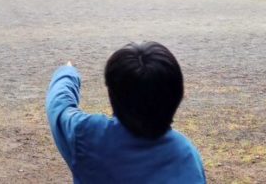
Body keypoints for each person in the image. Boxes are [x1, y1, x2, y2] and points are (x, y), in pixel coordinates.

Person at [46, 41, 205, 183]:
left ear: (112, 95)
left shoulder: (88, 136)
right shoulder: (186, 156)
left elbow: (59, 107)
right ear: (177, 95)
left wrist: (68, 73)